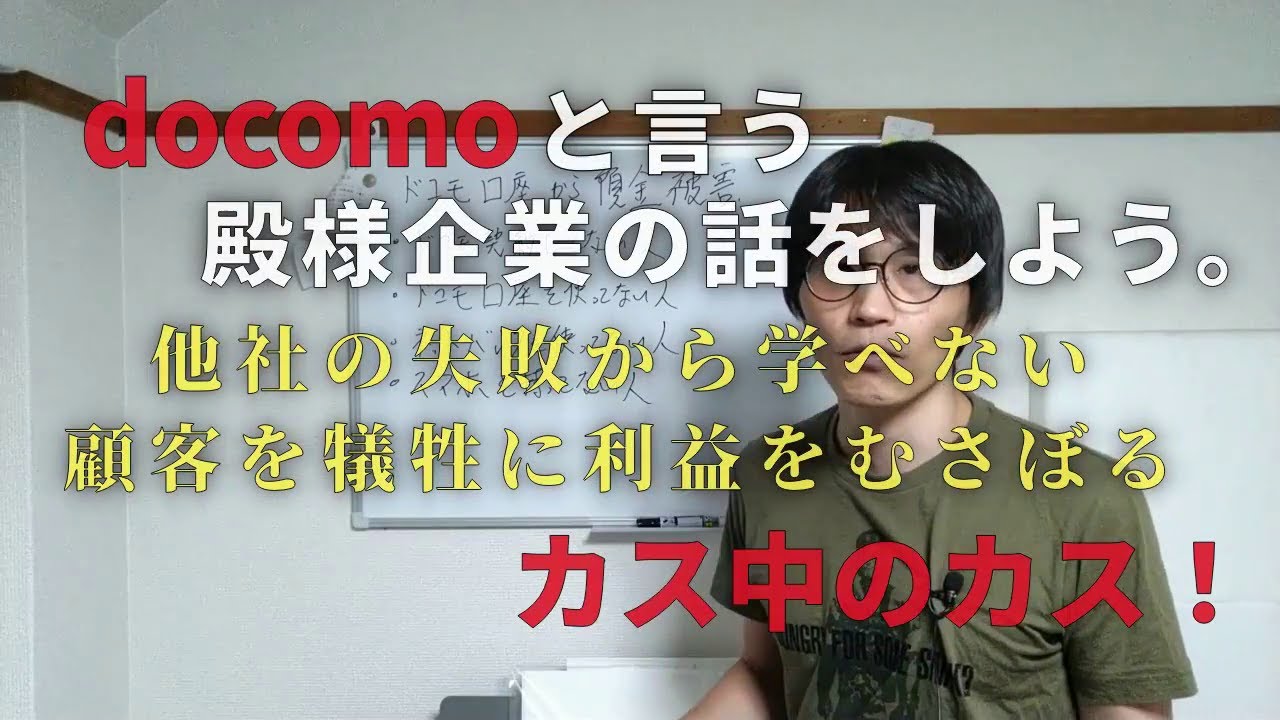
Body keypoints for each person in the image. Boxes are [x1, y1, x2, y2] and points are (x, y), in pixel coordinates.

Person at [680, 141, 1197, 719]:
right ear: (799, 296)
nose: (869, 308)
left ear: (976, 311)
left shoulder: (1086, 497)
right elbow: (765, 674)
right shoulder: (767, 472)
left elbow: (1128, 709)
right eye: (839, 266)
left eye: (916, 271)